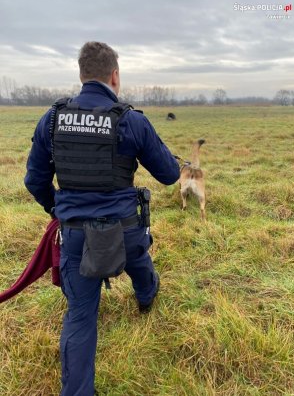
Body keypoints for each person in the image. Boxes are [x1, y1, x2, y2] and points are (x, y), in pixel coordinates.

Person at [24, 41, 180, 396]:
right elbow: (170, 175)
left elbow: (34, 180)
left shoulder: (51, 119)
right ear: (115, 76)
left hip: (76, 238)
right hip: (125, 230)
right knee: (139, 258)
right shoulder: (132, 119)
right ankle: (146, 295)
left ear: (81, 75)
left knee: (80, 317)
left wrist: (59, 211)